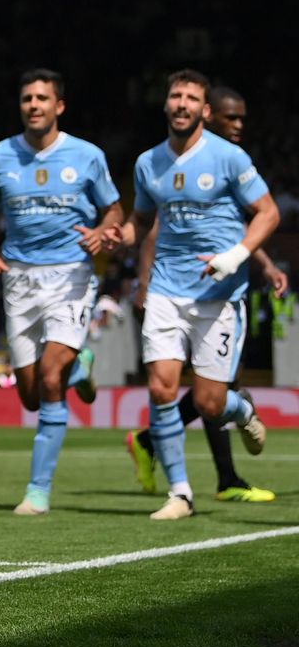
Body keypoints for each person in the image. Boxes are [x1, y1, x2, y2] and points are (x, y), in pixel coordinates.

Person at [105, 70, 277, 520]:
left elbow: (268, 213)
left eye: (191, 98)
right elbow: (142, 223)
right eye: (175, 96)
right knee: (162, 389)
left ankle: (242, 411)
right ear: (166, 105)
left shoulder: (229, 158)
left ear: (204, 110)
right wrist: (116, 237)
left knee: (208, 404)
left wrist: (236, 256)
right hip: (166, 288)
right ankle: (180, 493)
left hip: (218, 294)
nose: (181, 103)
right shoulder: (148, 163)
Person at [0, 69, 123, 516]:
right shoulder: (0, 156)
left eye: (42, 98)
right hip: (18, 279)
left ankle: (37, 491)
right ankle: (81, 367)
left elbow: (114, 209)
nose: (33, 105)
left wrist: (103, 231)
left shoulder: (86, 156)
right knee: (32, 395)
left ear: (60, 106)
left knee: (50, 379)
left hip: (71, 276)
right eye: (27, 99)